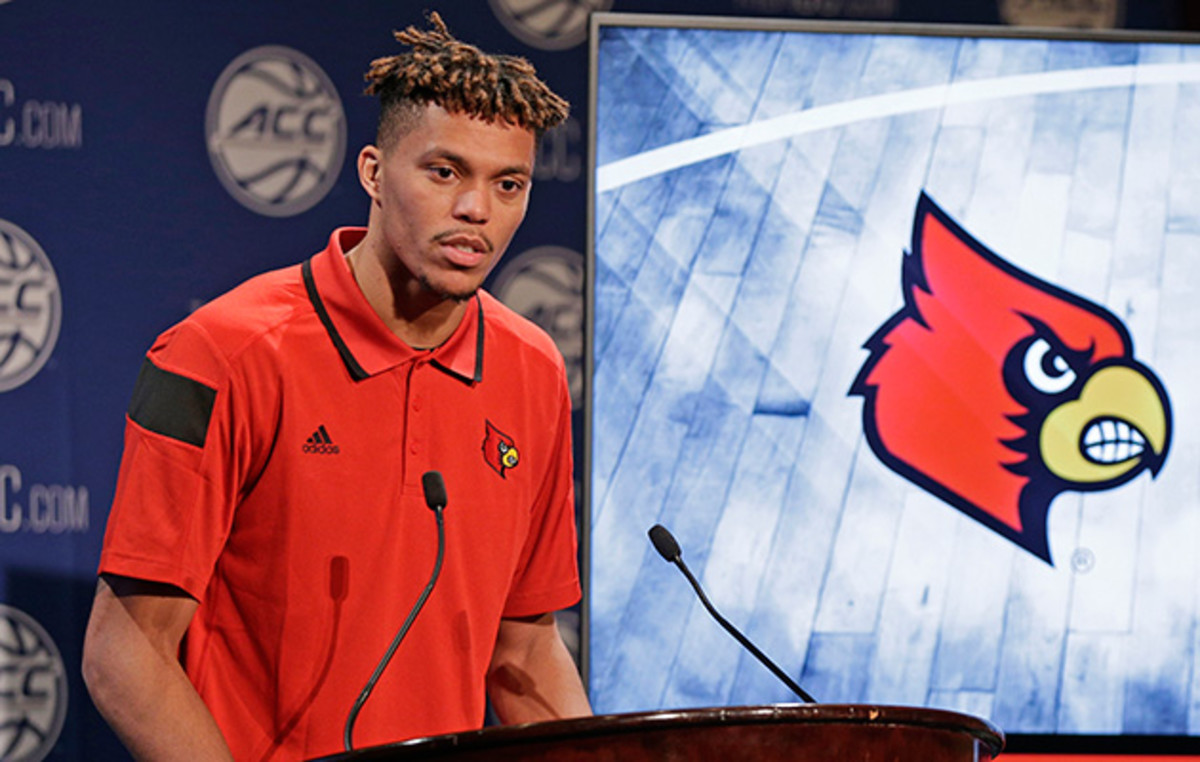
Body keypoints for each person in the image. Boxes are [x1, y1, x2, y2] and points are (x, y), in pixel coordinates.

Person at [81, 12, 591, 761]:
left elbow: (524, 648)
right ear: (374, 174)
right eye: (444, 172)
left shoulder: (533, 369)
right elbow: (126, 652)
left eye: (506, 183)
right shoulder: (222, 354)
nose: (476, 210)